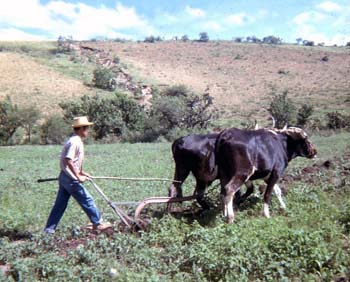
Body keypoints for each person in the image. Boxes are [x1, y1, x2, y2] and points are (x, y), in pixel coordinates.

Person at [44, 116, 108, 234]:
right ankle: (98, 223)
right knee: (87, 199)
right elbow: (69, 159)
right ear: (81, 129)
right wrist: (78, 177)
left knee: (60, 205)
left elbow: (76, 160)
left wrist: (82, 172)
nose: (88, 131)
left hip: (64, 177)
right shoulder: (75, 142)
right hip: (70, 179)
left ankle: (49, 230)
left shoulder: (75, 140)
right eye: (86, 128)